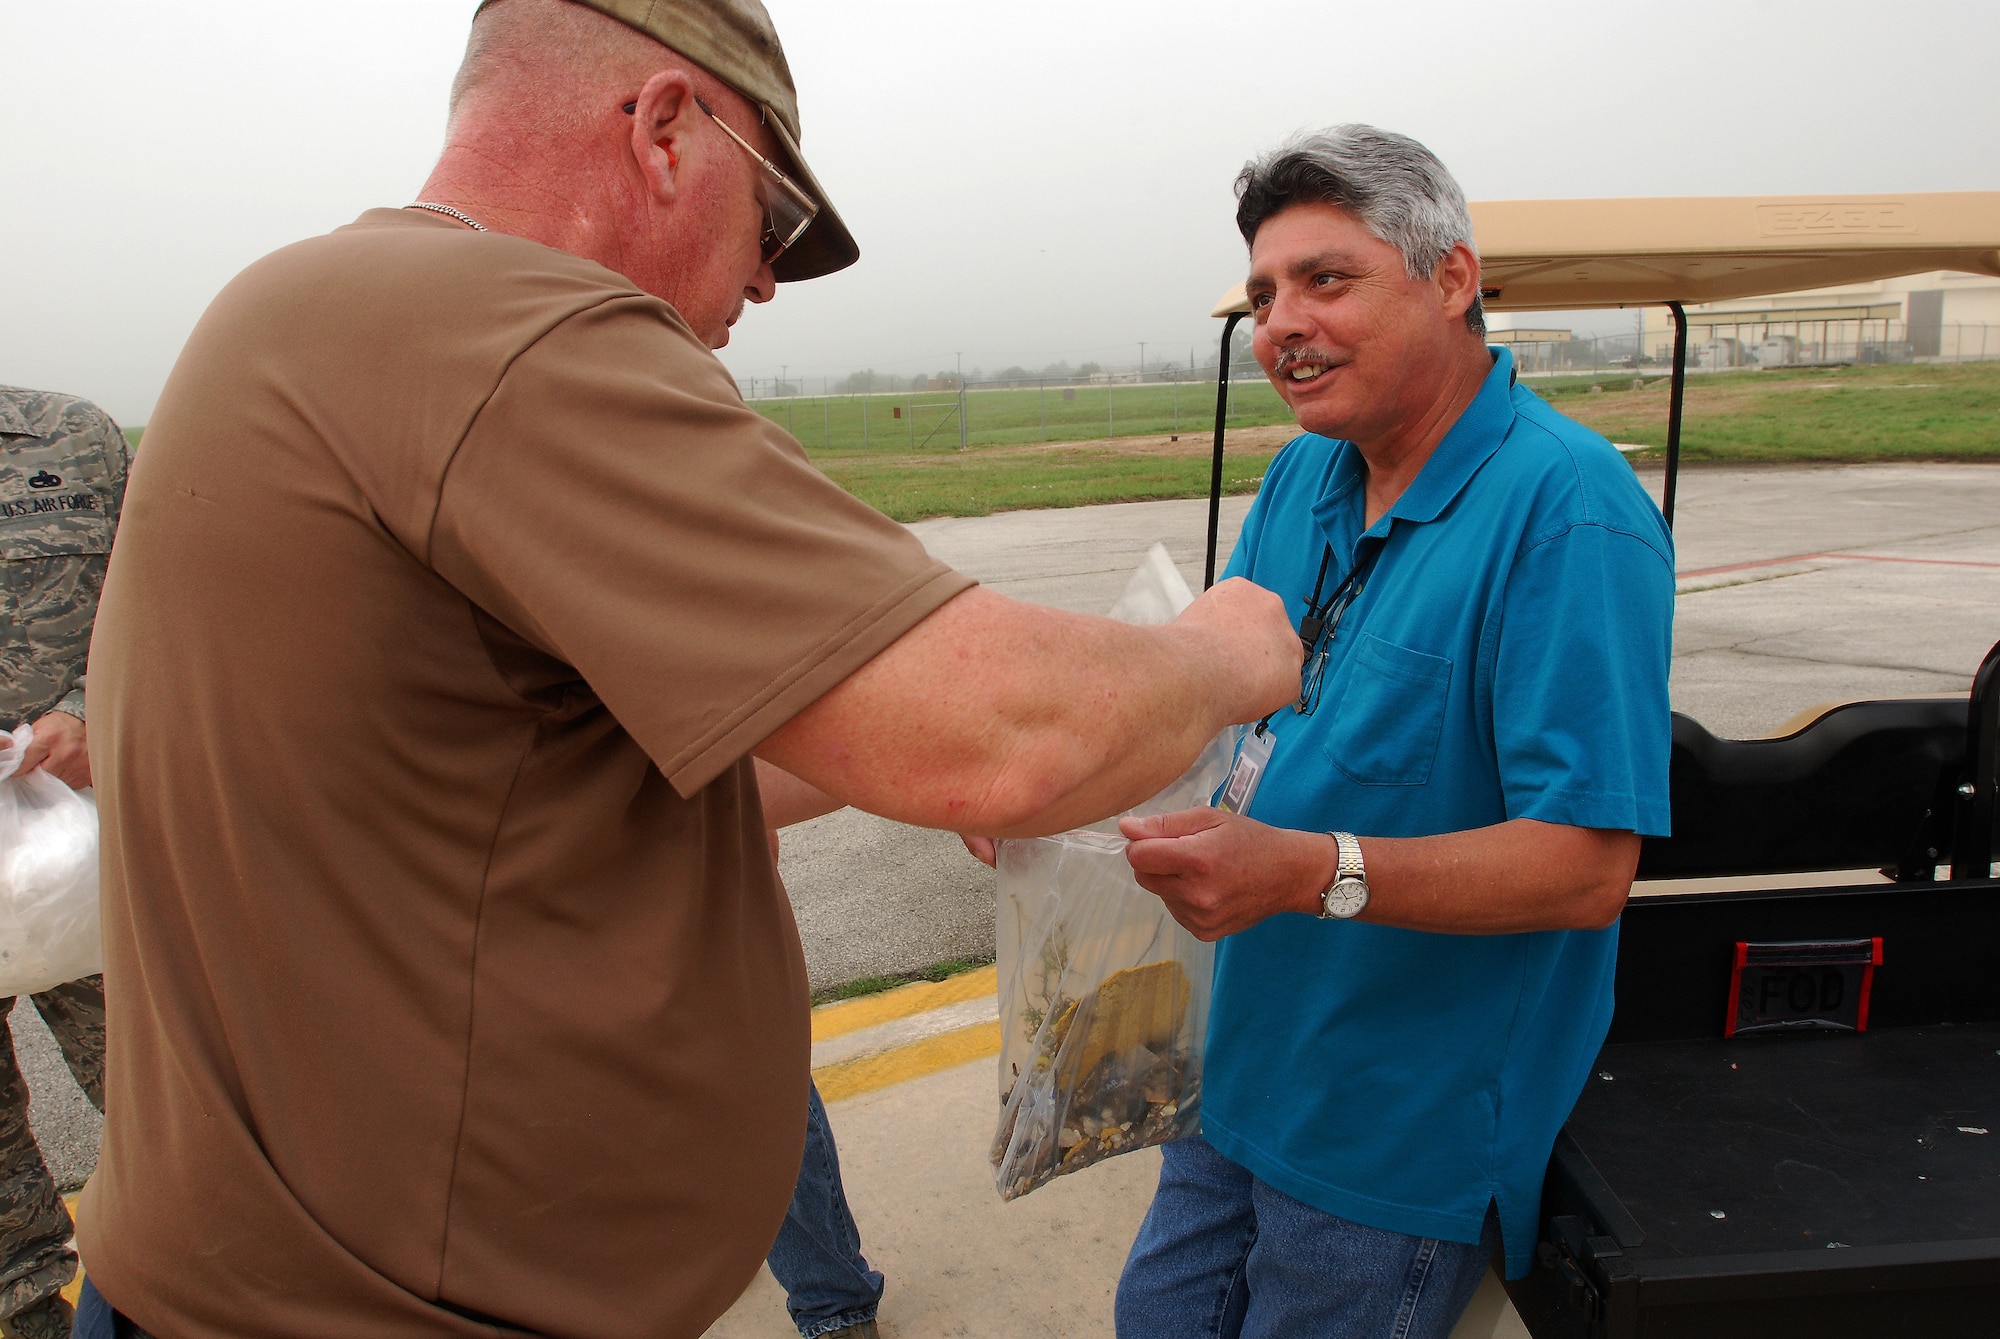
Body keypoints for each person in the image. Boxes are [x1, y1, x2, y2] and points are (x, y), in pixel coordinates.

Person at [74, 2, 1301, 1336]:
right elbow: (1006, 727)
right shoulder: (503, 329)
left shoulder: (313, 311)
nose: (769, 281)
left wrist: (890, 759)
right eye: (770, 219)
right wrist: (1219, 652)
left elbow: (537, 790)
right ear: (665, 131)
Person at [1108, 127, 1675, 1338]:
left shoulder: (1565, 508)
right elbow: (1214, 709)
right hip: (1246, 1063)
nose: (1279, 326)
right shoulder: (1301, 479)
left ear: (1452, 279)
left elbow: (1586, 867)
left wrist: (1307, 870)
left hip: (1394, 1126)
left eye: (1325, 279)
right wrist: (1050, 792)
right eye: (1265, 293)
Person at [0, 384, 126, 1339]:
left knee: (181, 1105)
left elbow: (170, 586)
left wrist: (90, 705)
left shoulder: (72, 441)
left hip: (87, 855)